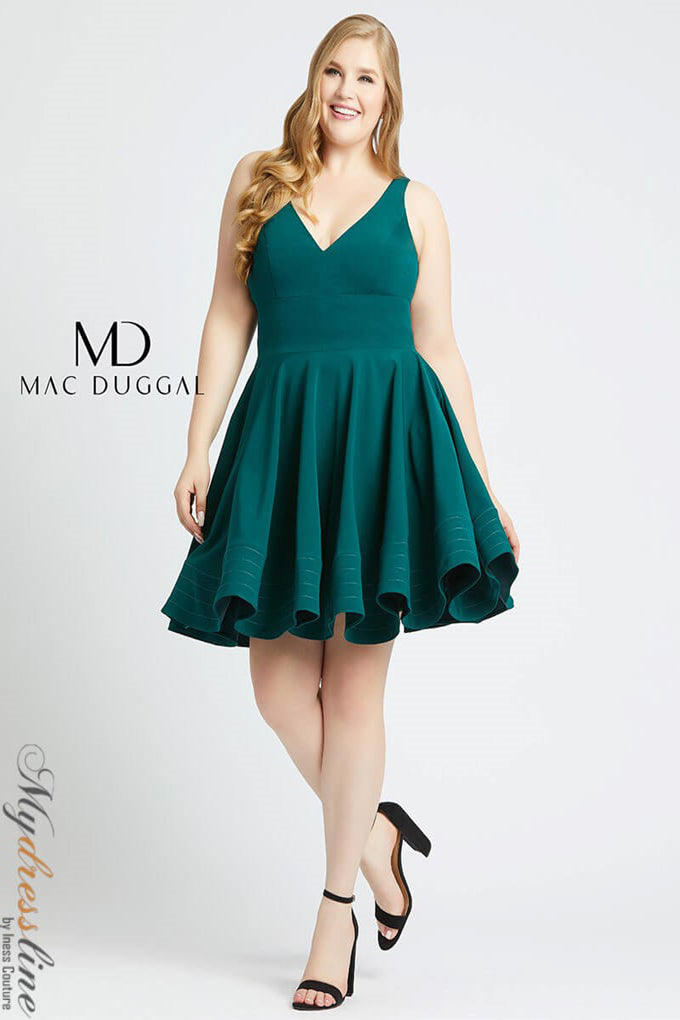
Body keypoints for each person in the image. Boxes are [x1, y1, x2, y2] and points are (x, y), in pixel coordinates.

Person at [160, 13, 520, 1011]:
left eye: (366, 76)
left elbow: (439, 349)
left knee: (354, 694)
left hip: (379, 457)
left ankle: (335, 915)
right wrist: (195, 444)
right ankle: (376, 835)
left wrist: (480, 486)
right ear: (312, 80)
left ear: (387, 97)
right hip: (281, 446)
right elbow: (228, 313)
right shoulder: (257, 180)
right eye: (333, 70)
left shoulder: (416, 207)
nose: (347, 90)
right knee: (279, 690)